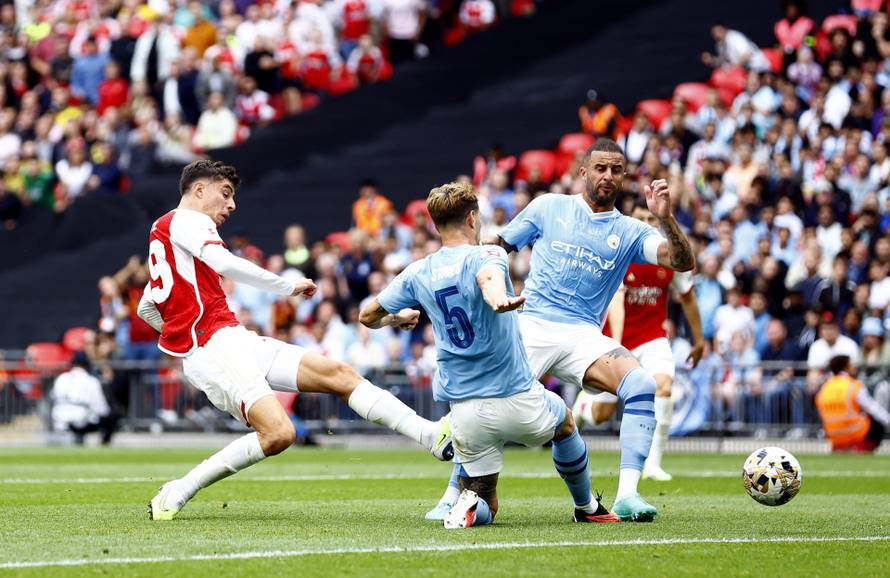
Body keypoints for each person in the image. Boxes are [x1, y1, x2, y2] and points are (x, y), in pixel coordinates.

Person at [138, 160, 451, 521]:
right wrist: (285, 286)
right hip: (214, 345)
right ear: (198, 190)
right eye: (225, 194)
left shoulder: (166, 233)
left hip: (230, 339)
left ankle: (430, 435)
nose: (231, 205)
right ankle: (178, 489)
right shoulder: (189, 221)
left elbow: (148, 305)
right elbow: (223, 263)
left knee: (338, 374)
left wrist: (180, 335)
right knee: (278, 433)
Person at [427, 138, 696, 522]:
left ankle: (627, 496)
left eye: (616, 170)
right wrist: (486, 285)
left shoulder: (632, 230)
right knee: (485, 402)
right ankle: (453, 494)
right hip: (532, 322)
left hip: (583, 334)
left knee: (641, 384)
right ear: (582, 171)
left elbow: (681, 262)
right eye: (600, 168)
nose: (607, 176)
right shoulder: (549, 206)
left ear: (624, 177)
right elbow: (499, 245)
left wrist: (667, 219)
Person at [359, 181, 619, 527]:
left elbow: (367, 316)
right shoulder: (488, 254)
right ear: (471, 218)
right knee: (565, 422)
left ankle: (469, 506)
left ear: (436, 225)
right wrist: (497, 297)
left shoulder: (418, 271)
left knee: (487, 502)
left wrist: (397, 317)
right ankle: (586, 507)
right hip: (515, 396)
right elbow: (488, 279)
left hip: (464, 410)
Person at [573, 204, 705, 481]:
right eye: (641, 218)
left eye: (650, 219)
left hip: (652, 338)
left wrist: (699, 339)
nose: (646, 223)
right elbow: (617, 302)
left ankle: (653, 464)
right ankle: (584, 407)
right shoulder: (618, 255)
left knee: (664, 386)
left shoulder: (670, 258)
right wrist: (617, 346)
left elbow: (688, 298)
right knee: (603, 414)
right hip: (615, 339)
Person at [816, 355, 890, 452]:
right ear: (845, 367)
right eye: (851, 365)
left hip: (833, 435)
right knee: (877, 422)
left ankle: (841, 448)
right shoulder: (853, 385)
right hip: (854, 433)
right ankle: (862, 449)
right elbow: (873, 408)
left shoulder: (825, 387)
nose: (854, 367)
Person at [50, 352, 117, 445]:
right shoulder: (91, 380)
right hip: (81, 421)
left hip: (60, 419)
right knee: (112, 417)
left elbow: (53, 398)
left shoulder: (61, 378)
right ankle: (104, 446)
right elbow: (102, 408)